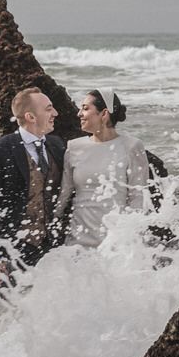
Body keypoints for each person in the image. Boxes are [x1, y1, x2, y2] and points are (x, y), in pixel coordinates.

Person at [0, 86, 67, 286]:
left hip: (49, 249)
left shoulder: (57, 146)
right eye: (49, 109)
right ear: (31, 116)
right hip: (9, 250)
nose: (56, 113)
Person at [53, 88, 151, 247]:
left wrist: (130, 241)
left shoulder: (132, 146)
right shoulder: (74, 147)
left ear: (104, 114)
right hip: (76, 244)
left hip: (116, 246)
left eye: (85, 108)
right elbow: (63, 197)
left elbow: (137, 198)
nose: (78, 114)